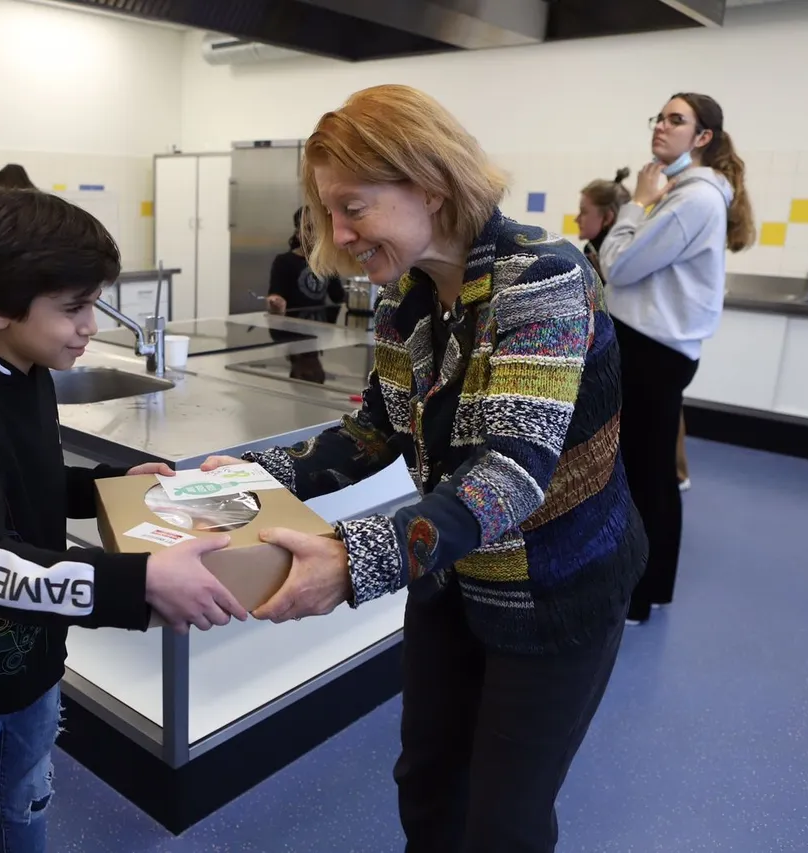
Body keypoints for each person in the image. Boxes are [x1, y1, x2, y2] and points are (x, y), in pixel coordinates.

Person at [204, 84, 646, 853]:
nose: (339, 234)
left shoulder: (542, 278)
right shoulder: (403, 297)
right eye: (327, 212)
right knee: (429, 784)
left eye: (354, 207)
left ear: (430, 184)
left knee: (504, 820)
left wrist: (349, 562)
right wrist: (235, 477)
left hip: (556, 588)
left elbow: (511, 468)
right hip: (451, 575)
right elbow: (374, 430)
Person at [0, 189, 246, 853]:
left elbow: (31, 483)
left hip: (38, 656)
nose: (90, 325)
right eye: (73, 308)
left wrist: (106, 487)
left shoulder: (27, 370)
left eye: (93, 304)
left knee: (28, 793)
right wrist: (134, 583)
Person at [599, 93, 754, 624]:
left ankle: (638, 596)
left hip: (652, 350)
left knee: (646, 473)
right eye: (660, 118)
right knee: (652, 469)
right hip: (652, 347)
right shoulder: (687, 192)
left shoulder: (692, 200)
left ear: (703, 137)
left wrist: (636, 203)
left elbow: (615, 265)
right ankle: (650, 588)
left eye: (676, 120)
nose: (661, 127)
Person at [577, 171, 693, 492]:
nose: (577, 218)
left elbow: (619, 274)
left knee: (656, 427)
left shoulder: (628, 249)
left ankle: (674, 473)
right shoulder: (592, 249)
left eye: (584, 211)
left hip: (648, 349)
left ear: (608, 217)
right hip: (631, 350)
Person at [267, 207, 346, 323]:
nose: (315, 234)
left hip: (320, 330)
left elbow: (338, 297)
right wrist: (275, 304)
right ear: (298, 233)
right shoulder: (284, 261)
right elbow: (275, 296)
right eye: (309, 228)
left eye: (320, 229)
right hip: (291, 328)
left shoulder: (326, 261)